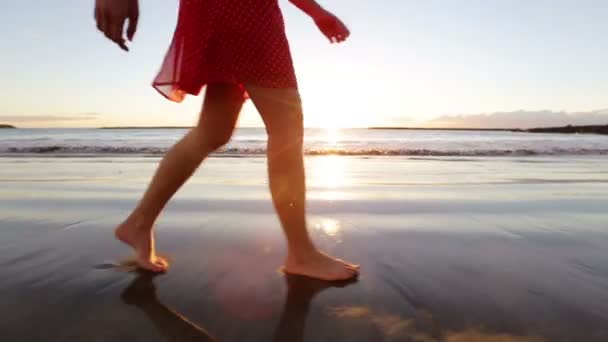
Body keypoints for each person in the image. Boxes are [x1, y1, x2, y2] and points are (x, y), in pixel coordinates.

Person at [94, 0, 359, 281]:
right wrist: (315, 11)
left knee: (214, 130)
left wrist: (315, 11)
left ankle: (139, 222)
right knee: (285, 126)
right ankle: (301, 253)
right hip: (241, 9)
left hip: (217, 9)